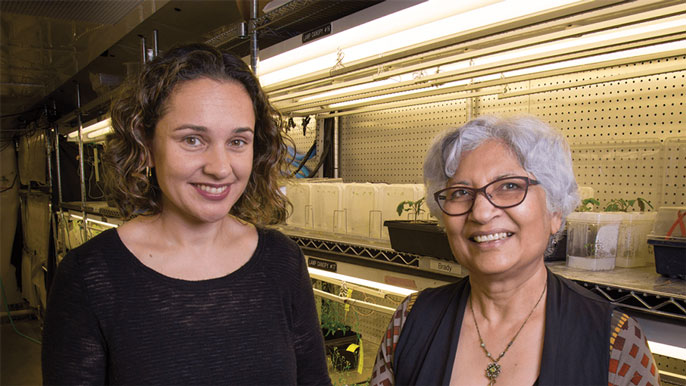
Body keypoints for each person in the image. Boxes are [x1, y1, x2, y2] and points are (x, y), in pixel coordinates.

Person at [42, 43, 332, 385]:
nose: (220, 168)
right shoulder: (89, 276)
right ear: (146, 147)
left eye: (238, 142)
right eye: (193, 139)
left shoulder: (283, 262)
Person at [370, 115, 659, 386]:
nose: (481, 212)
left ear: (555, 210)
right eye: (460, 192)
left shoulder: (614, 341)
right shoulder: (409, 322)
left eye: (509, 185)